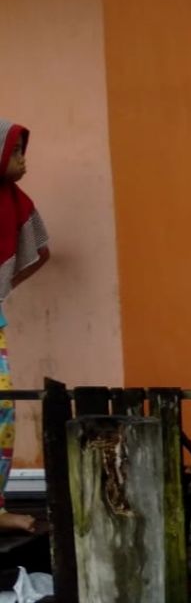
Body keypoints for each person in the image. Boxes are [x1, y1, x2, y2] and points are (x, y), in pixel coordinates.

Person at [0, 120, 49, 533]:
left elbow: (41, 251)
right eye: (16, 152)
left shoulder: (15, 202)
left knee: (1, 411)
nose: (23, 161)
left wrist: (3, 286)